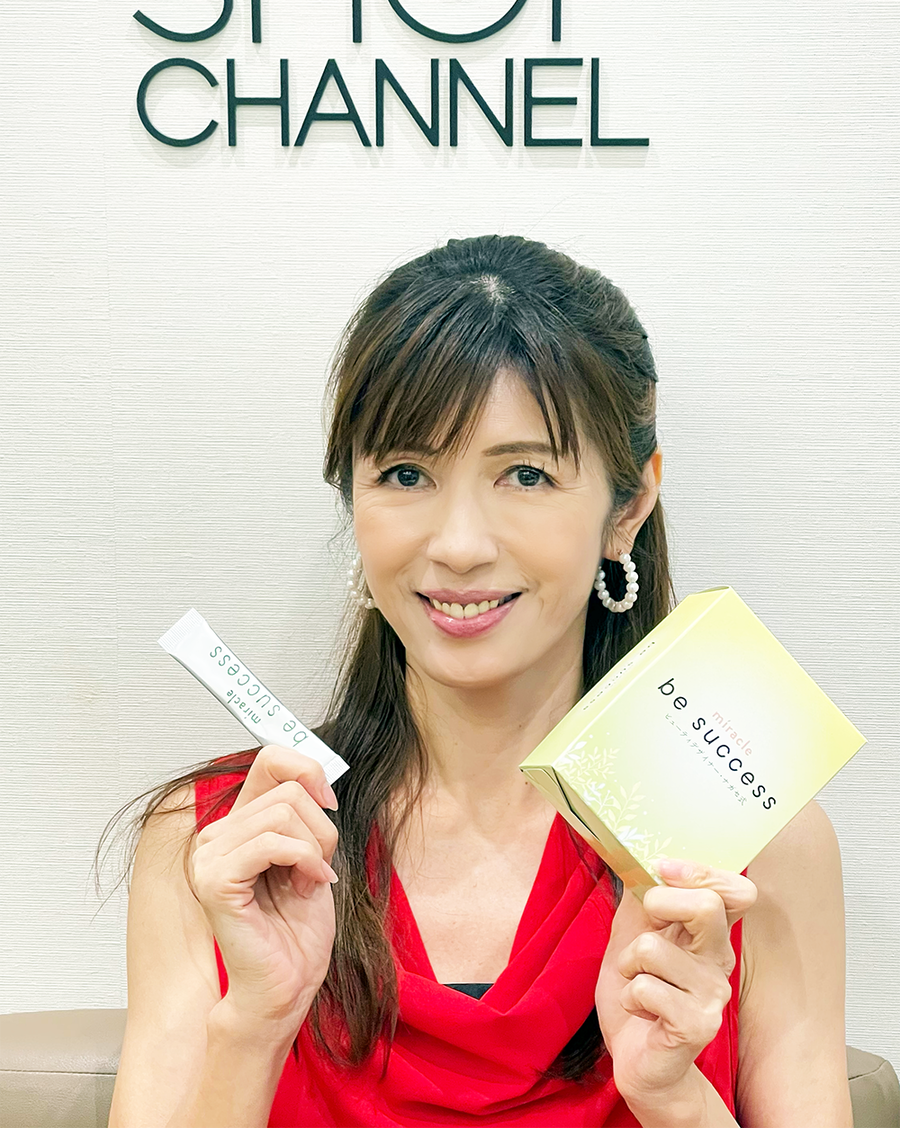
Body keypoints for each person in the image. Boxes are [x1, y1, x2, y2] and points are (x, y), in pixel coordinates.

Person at [102, 235, 852, 1127]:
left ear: (628, 507)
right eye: (406, 474)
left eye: (525, 475)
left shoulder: (758, 845)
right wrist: (254, 1026)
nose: (458, 544)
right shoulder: (221, 845)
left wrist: (674, 1099)